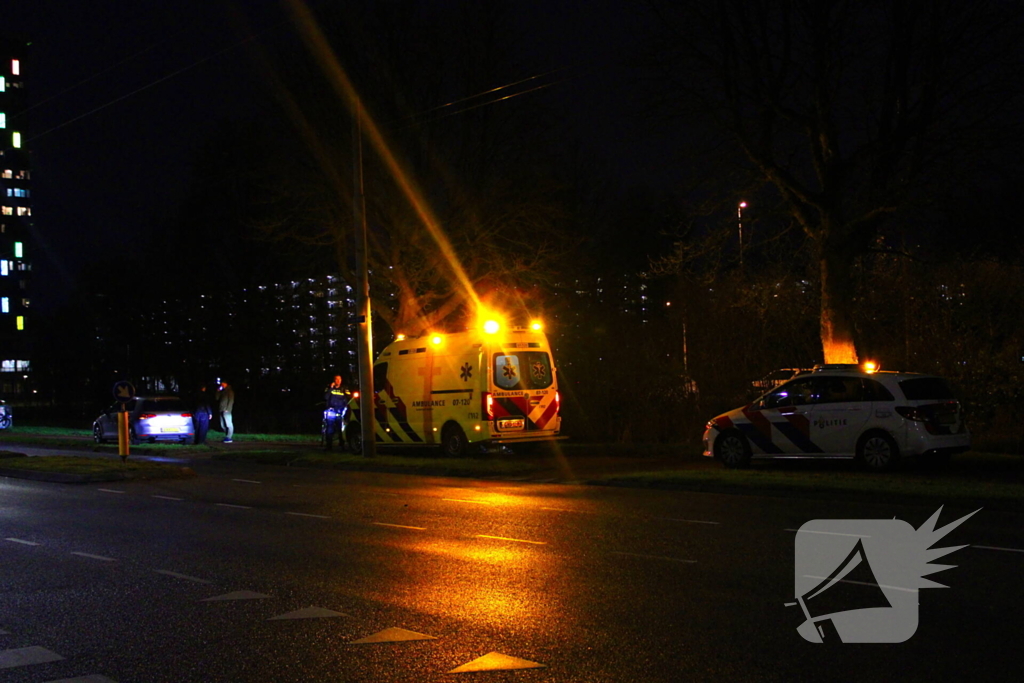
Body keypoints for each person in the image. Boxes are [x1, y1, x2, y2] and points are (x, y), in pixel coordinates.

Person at [323, 374, 352, 450]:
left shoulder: (344, 388)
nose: (338, 381)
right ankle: (329, 446)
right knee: (330, 429)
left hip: (340, 411)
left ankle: (342, 445)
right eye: (336, 379)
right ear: (334, 380)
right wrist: (331, 388)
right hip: (331, 412)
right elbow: (325, 397)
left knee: (340, 429)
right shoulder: (329, 388)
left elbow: (349, 398)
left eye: (340, 379)